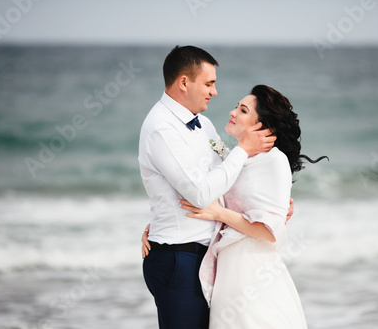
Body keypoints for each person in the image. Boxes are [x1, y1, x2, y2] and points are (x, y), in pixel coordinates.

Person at [138, 45, 276, 329]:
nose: (215, 91)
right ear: (184, 82)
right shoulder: (161, 128)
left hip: (206, 257)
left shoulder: (204, 124)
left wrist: (272, 205)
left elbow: (229, 179)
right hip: (179, 260)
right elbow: (201, 194)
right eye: (209, 83)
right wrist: (243, 149)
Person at [178, 85, 328, 328]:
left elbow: (269, 231)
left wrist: (218, 213)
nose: (233, 112)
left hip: (253, 273)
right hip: (229, 272)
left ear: (263, 127)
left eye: (243, 110)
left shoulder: (275, 161)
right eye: (237, 106)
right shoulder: (233, 158)